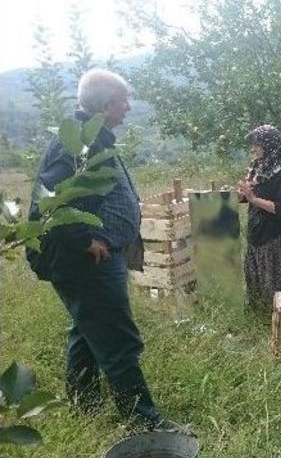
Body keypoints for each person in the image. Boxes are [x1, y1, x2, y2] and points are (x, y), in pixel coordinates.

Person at [25, 69, 180, 431]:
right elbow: (50, 198)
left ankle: (84, 403)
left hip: (98, 256)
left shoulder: (91, 137)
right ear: (108, 105)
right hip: (88, 260)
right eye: (124, 100)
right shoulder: (76, 141)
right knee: (117, 337)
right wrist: (85, 239)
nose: (128, 107)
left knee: (87, 328)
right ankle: (144, 420)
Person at [237, 125, 281, 313]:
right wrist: (242, 194)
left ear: (270, 145)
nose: (253, 149)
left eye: (258, 145)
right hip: (256, 230)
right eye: (253, 145)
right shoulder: (257, 167)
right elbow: (248, 196)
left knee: (276, 282)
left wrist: (253, 198)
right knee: (256, 277)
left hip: (275, 234)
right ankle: (259, 313)